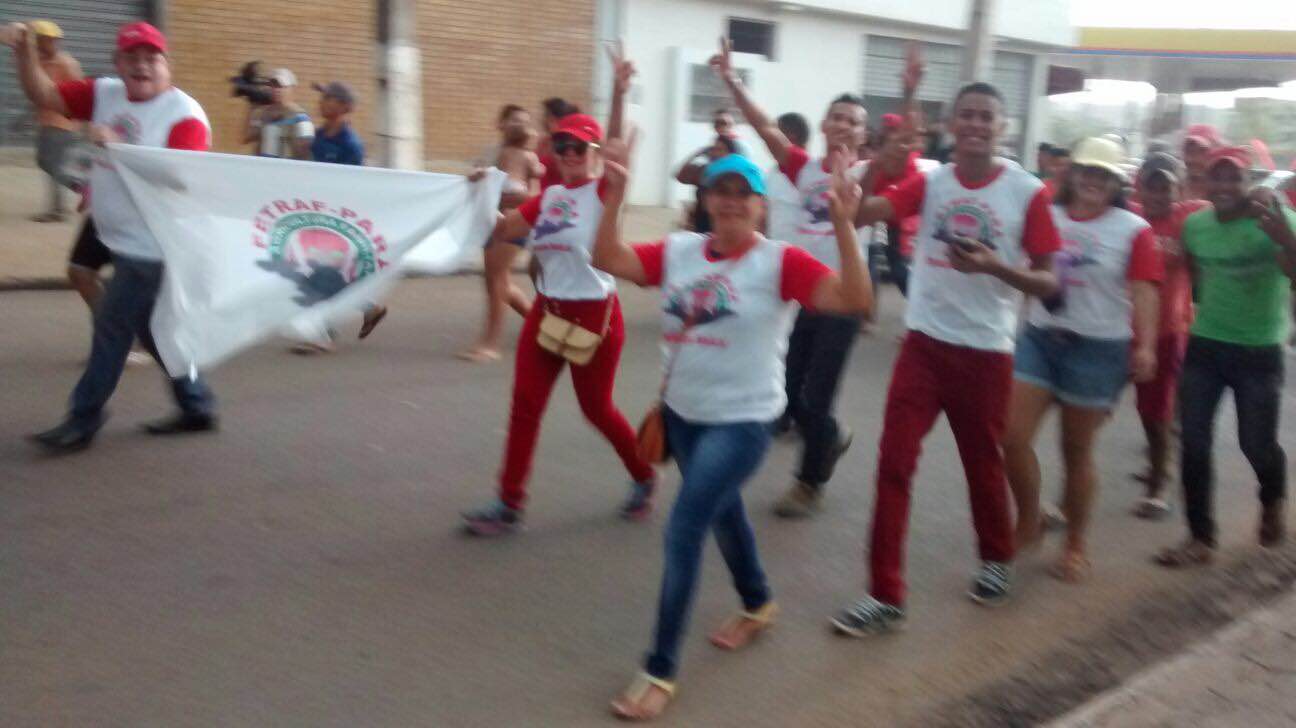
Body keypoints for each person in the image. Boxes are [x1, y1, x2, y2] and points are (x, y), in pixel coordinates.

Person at [595, 148, 873, 723]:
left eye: (742, 193)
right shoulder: (679, 251)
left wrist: (845, 225)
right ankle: (757, 602)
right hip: (682, 416)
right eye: (720, 191)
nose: (730, 202)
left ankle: (660, 669)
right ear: (706, 200)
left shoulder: (780, 262)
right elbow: (609, 258)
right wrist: (615, 197)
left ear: (760, 206)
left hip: (744, 422)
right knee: (723, 511)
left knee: (685, 526)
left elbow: (854, 299)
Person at [830, 81, 1061, 636]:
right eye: (967, 116)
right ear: (952, 126)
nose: (976, 124)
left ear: (1002, 127)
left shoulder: (1026, 192)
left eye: (986, 116)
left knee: (982, 463)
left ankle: (996, 558)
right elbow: (862, 213)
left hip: (986, 352)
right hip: (924, 346)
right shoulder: (932, 182)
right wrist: (870, 173)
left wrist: (994, 267)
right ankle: (885, 595)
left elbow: (1050, 282)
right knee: (894, 463)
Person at [4, 20, 218, 452]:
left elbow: (181, 180)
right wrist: (23, 50)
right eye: (131, 58)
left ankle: (82, 419)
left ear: (166, 64)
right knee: (151, 329)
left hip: (151, 245)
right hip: (110, 228)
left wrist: (119, 147)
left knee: (112, 327)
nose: (142, 66)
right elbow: (45, 96)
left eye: (151, 58)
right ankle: (196, 404)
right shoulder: (105, 92)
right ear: (118, 63)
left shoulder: (184, 116)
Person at [460, 54, 651, 536]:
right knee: (525, 406)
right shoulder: (548, 198)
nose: (569, 153)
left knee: (597, 410)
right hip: (547, 310)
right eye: (562, 145)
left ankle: (644, 473)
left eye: (578, 147)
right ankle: (509, 504)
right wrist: (478, 192)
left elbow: (613, 147)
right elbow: (504, 228)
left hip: (595, 316)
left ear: (593, 153)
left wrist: (619, 91)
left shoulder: (603, 193)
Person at [710, 36, 884, 518]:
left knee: (817, 395)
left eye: (854, 121)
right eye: (837, 117)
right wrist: (731, 81)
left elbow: (895, 160)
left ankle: (809, 484)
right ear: (824, 125)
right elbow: (765, 127)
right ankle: (830, 434)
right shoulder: (803, 169)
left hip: (842, 300)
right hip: (800, 296)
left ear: (862, 134)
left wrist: (909, 98)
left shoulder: (868, 174)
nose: (844, 125)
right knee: (787, 395)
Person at [1004, 137, 1162, 582]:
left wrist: (1146, 346)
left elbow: (1145, 290)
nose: (1094, 181)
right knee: (1011, 437)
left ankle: (1075, 544)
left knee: (1076, 452)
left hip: (1098, 349)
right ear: (1072, 174)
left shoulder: (1133, 229)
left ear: (1117, 184)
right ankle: (1029, 520)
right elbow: (1027, 270)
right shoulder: (1046, 214)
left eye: (1104, 175)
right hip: (1040, 339)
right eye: (1088, 171)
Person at [1155, 146, 1295, 568]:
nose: (1224, 185)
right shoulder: (1197, 226)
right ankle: (1200, 538)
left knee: (1256, 444)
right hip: (1206, 345)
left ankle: (1272, 499)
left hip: (1259, 350)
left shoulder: (1277, 218)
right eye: (1217, 177)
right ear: (1207, 182)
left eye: (1234, 177)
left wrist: (1285, 240)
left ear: (1249, 182)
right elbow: (1193, 272)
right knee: (1193, 442)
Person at [1129, 153, 1211, 519]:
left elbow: (1227, 204)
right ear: (1140, 188)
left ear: (1179, 191)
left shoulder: (1190, 219)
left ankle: (1159, 485)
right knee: (1094, 408)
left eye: (1167, 188)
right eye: (1152, 186)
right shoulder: (1128, 217)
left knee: (1157, 413)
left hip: (1168, 331)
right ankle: (1156, 466)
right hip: (1123, 329)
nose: (1159, 195)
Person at [286, 80, 386, 352]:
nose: (321, 102)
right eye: (323, 98)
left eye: (328, 98)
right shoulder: (319, 136)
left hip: (337, 219)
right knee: (316, 272)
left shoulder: (350, 144)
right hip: (316, 214)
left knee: (319, 272)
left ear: (344, 107)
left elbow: (352, 185)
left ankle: (324, 335)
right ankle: (369, 308)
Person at [456, 104, 545, 363]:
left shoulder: (528, 158)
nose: (520, 125)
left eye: (525, 121)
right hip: (490, 223)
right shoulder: (492, 153)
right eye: (514, 120)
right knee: (496, 281)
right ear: (501, 124)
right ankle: (541, 326)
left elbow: (535, 198)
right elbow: (475, 182)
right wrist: (476, 178)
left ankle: (491, 344)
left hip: (513, 225)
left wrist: (505, 197)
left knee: (497, 282)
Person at [27, 19, 82, 223]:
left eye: (49, 41)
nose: (44, 44)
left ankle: (58, 211)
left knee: (54, 165)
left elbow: (79, 92)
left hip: (61, 123)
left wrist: (78, 121)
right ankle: (83, 187)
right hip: (45, 121)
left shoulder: (66, 63)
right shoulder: (38, 63)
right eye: (40, 41)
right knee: (43, 162)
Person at [675, 134, 740, 233]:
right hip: (700, 227)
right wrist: (695, 155)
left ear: (730, 153)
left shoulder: (736, 175)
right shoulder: (704, 170)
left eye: (720, 149)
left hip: (722, 228)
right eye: (713, 149)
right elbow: (679, 176)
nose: (715, 153)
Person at [244, 68, 313, 160]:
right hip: (263, 167)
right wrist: (252, 106)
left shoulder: (301, 117)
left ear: (292, 89)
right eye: (273, 86)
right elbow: (245, 138)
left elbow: (306, 154)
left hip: (286, 167)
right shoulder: (263, 114)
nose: (276, 90)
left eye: (280, 86)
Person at [762, 112, 809, 245]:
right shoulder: (772, 174)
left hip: (807, 252)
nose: (767, 141)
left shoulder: (813, 174)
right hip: (776, 252)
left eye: (773, 135)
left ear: (789, 138)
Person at [1181, 124, 1223, 202]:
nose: (1194, 160)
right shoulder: (1173, 190)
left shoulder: (1226, 192)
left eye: (1202, 152)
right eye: (1189, 152)